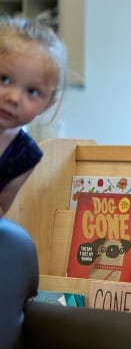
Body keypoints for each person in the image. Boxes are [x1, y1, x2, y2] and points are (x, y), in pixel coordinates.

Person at [0, 17, 66, 218]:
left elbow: (2, 209)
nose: (14, 98)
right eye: (4, 79)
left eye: (33, 91)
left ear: (47, 104)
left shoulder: (24, 154)